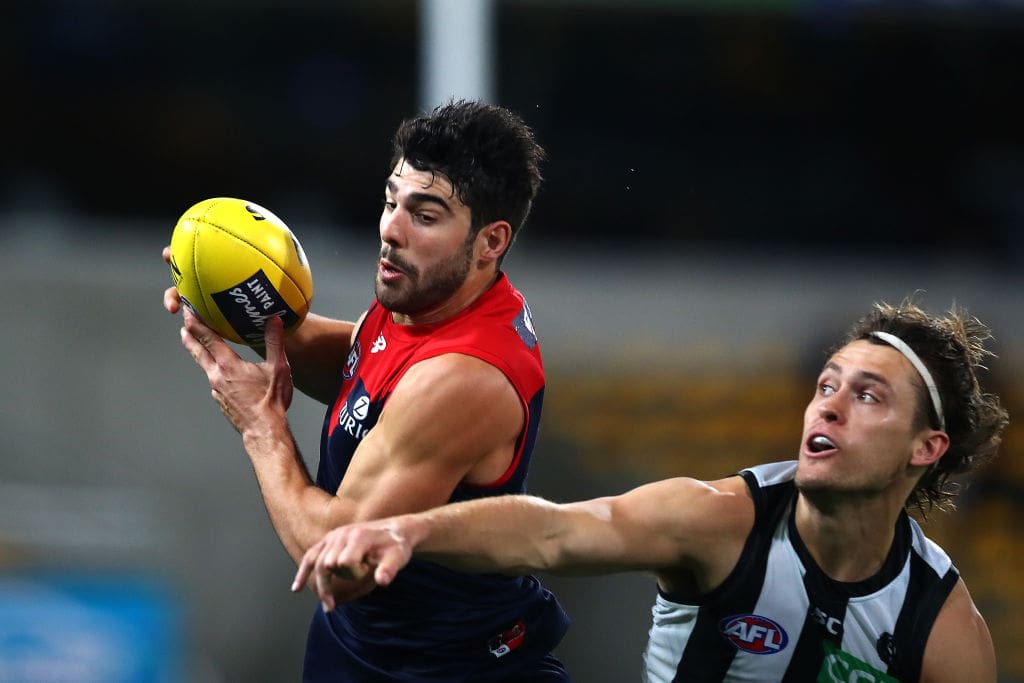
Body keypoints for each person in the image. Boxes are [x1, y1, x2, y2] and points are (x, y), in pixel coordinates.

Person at [292, 299, 1010, 683]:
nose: (827, 405)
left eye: (868, 396)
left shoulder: (940, 626)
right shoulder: (720, 521)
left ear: (927, 447)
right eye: (826, 385)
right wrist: (410, 530)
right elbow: (555, 530)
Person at [163, 100, 570, 681]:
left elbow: (334, 556)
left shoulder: (465, 376)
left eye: (425, 216)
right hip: (363, 647)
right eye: (391, 201)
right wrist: (233, 302)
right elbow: (360, 372)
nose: (391, 230)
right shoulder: (428, 301)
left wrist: (262, 428)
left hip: (449, 668)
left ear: (490, 241)